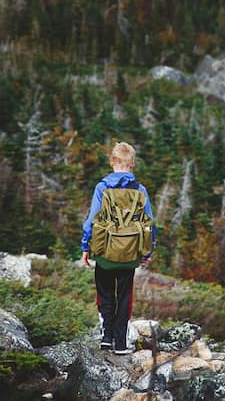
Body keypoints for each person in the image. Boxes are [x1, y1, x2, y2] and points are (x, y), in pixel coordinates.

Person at [81, 142, 156, 355]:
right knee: (124, 295)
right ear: (132, 164)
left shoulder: (102, 187)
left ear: (112, 161)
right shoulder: (140, 190)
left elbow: (92, 220)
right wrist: (147, 251)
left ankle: (106, 338)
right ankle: (121, 343)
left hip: (104, 251)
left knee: (105, 293)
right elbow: (149, 222)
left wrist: (86, 246)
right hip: (130, 253)